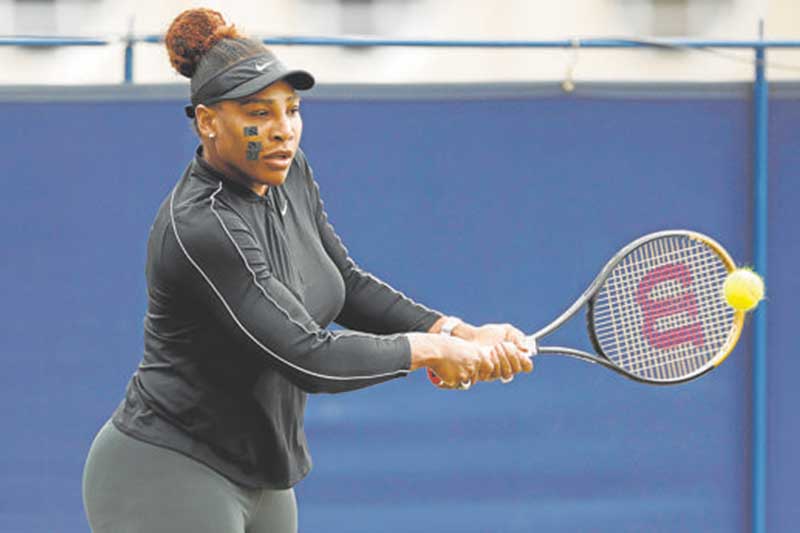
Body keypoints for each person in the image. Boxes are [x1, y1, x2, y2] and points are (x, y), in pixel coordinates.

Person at [82, 8, 533, 533]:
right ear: (207, 122)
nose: (282, 131)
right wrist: (429, 352)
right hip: (164, 471)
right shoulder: (203, 226)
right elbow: (307, 356)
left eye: (291, 110)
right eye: (259, 114)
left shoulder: (289, 172)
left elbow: (344, 283)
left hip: (263, 476)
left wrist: (457, 331)